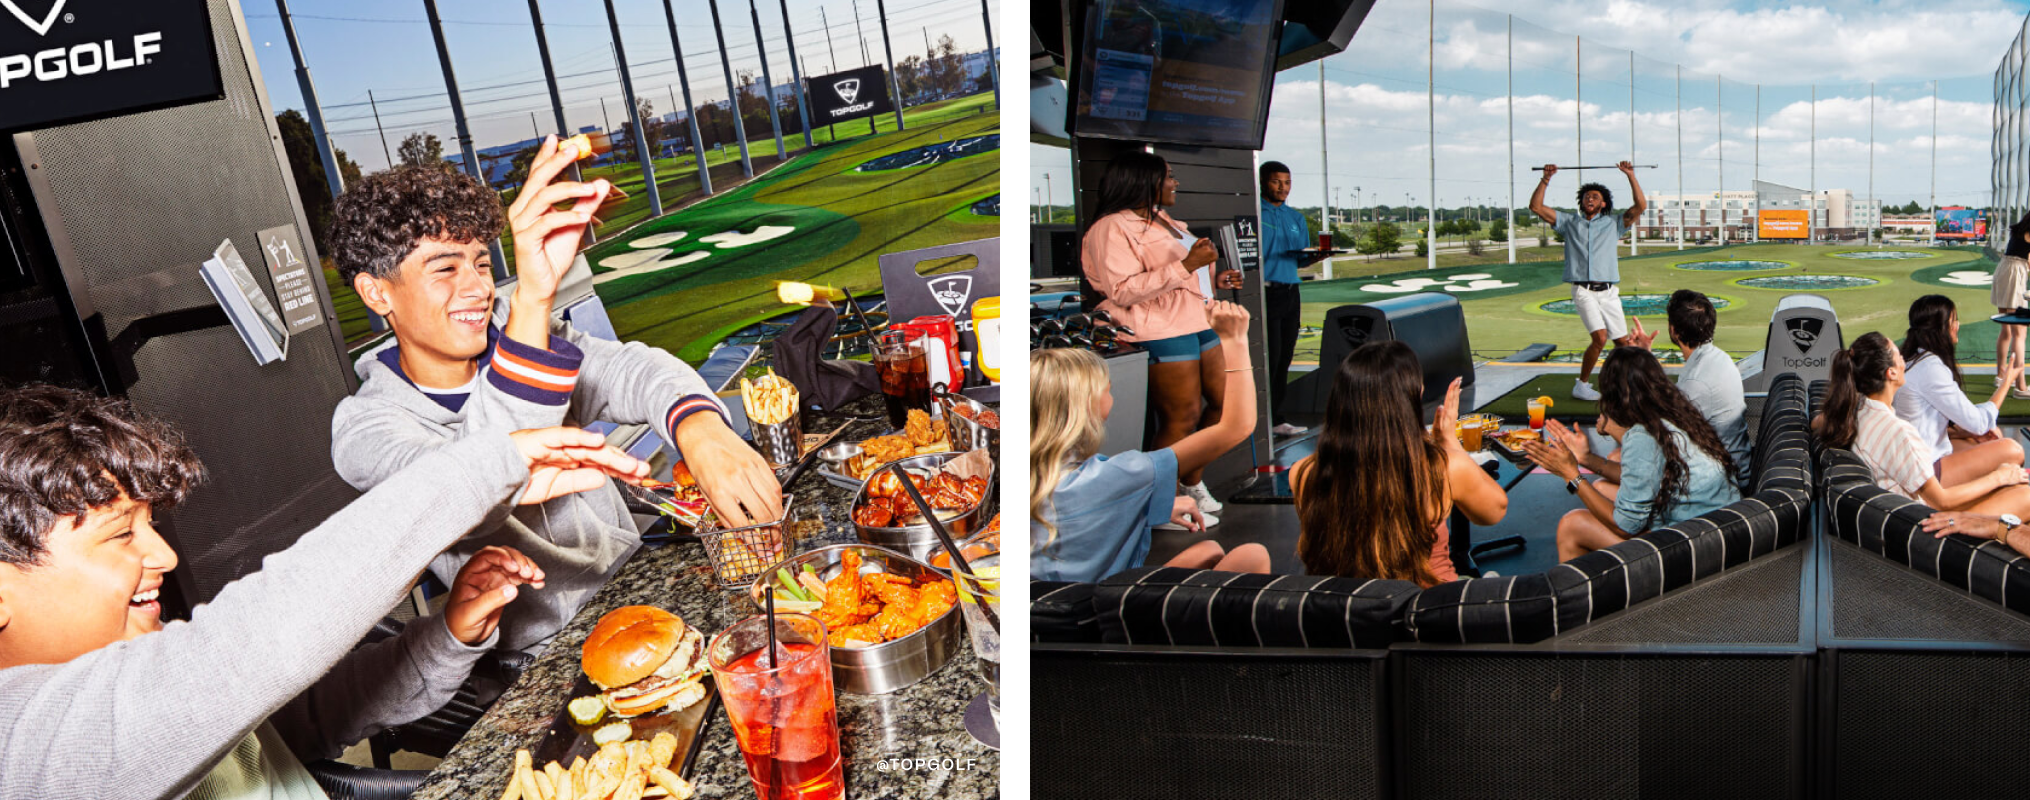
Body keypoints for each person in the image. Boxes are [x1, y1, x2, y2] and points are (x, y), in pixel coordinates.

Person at [0, 383, 651, 798]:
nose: (164, 555)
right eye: (120, 535)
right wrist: (477, 474)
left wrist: (447, 634)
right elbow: (246, 650)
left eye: (153, 525)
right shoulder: (18, 754)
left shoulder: (134, 652)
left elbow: (305, 722)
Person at [328, 138, 781, 655]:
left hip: (637, 583)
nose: (477, 287)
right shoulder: (366, 429)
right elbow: (469, 479)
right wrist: (533, 298)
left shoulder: (514, 335)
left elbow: (630, 369)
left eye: (480, 263)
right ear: (376, 293)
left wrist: (699, 427)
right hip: (543, 651)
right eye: (445, 269)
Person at [1030, 300, 1271, 583]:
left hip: (1054, 604)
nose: (1112, 397)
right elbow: (1236, 426)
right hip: (1101, 610)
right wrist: (1235, 340)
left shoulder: (1046, 475)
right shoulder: (1120, 473)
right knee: (1251, 557)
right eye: (1108, 390)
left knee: (1208, 550)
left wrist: (1145, 507)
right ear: (1087, 405)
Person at [1081, 149, 1246, 522]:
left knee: (1226, 404)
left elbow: (1182, 275)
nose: (1175, 182)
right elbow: (1122, 290)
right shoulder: (1110, 227)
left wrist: (1213, 280)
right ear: (1144, 182)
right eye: (1168, 176)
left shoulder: (1164, 221)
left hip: (1198, 320)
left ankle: (1190, 478)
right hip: (1156, 329)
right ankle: (1165, 505)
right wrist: (1187, 264)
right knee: (1180, 417)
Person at [1291, 342, 1507, 586]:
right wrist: (1450, 444)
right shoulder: (1444, 468)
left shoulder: (1303, 472)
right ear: (1406, 400)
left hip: (1346, 612)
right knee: (1490, 584)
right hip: (1425, 611)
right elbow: (1494, 511)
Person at [1524, 347, 1740, 561]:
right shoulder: (1673, 414)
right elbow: (1651, 474)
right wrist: (1586, 459)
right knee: (1600, 488)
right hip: (1718, 531)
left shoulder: (1643, 436)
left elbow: (1625, 527)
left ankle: (1578, 592)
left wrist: (1571, 475)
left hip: (1695, 549)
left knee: (1572, 526)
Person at [1818, 332, 2030, 520]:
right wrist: (1998, 476)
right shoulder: (1897, 431)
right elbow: (1942, 501)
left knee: (2014, 485)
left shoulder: (1857, 410)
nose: (1903, 358)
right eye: (1898, 354)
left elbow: (1819, 421)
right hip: (1928, 520)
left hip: (1907, 509)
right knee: (2024, 494)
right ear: (1891, 372)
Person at [1528, 161, 1648, 401]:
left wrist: (1630, 176)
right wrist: (1546, 178)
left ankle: (1622, 385)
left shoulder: (1614, 223)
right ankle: (1581, 385)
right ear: (1582, 203)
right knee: (1600, 338)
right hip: (1584, 290)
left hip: (1609, 292)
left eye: (1595, 196)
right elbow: (1536, 206)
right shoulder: (1570, 222)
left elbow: (1640, 206)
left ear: (1603, 203)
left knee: (1622, 344)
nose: (1590, 199)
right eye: (1586, 197)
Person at [1889, 295, 2026, 487]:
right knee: (2012, 450)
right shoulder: (1931, 368)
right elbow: (1978, 423)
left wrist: (1962, 433)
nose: (1958, 325)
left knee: (1988, 436)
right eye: (1954, 320)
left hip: (1915, 456)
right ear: (1941, 329)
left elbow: (1929, 422)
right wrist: (2006, 383)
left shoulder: (1913, 359)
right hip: (1921, 470)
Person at [1257, 161, 1332, 437]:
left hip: (1290, 292)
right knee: (1271, 357)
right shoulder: (1255, 214)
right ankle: (1262, 419)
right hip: (1265, 292)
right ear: (1264, 182)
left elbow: (1299, 259)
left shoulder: (1296, 219)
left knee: (1285, 357)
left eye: (1287, 182)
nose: (1283, 188)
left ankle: (1276, 419)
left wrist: (1316, 257)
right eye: (1277, 182)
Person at [1665, 289, 1751, 487]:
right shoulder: (1717, 358)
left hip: (1724, 482)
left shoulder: (1697, 380)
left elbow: (1667, 438)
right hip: (1728, 468)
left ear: (1674, 331)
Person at [1993, 213, 2030, 398]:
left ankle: (2001, 375)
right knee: (2020, 332)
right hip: (2014, 274)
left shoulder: (2019, 231)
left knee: (2007, 330)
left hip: (2004, 270)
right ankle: (2021, 387)